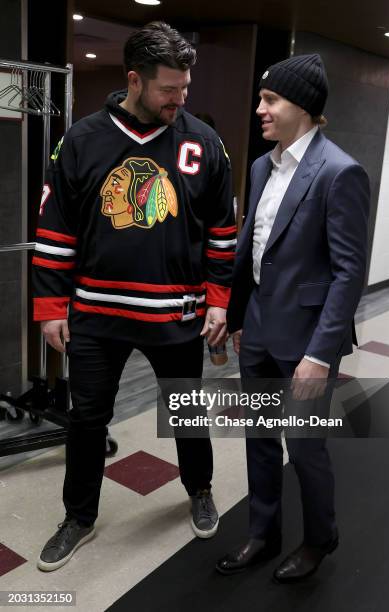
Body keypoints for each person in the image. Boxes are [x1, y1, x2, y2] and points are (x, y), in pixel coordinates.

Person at [32, 21, 236, 572]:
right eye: (169, 89)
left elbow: (222, 229)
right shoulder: (81, 139)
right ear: (135, 81)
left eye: (185, 87)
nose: (181, 98)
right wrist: (51, 308)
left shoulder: (203, 142)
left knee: (187, 413)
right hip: (96, 314)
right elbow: (55, 229)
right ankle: (78, 516)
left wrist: (219, 300)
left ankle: (198, 487)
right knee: (87, 420)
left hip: (177, 313)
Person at [216, 54, 370, 582]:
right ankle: (263, 533)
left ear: (301, 107)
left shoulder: (339, 171)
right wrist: (235, 315)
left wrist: (319, 355)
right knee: (259, 440)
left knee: (304, 451)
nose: (260, 109)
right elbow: (252, 249)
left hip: (305, 342)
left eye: (270, 100)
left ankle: (320, 538)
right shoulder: (262, 166)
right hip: (257, 329)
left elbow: (349, 273)